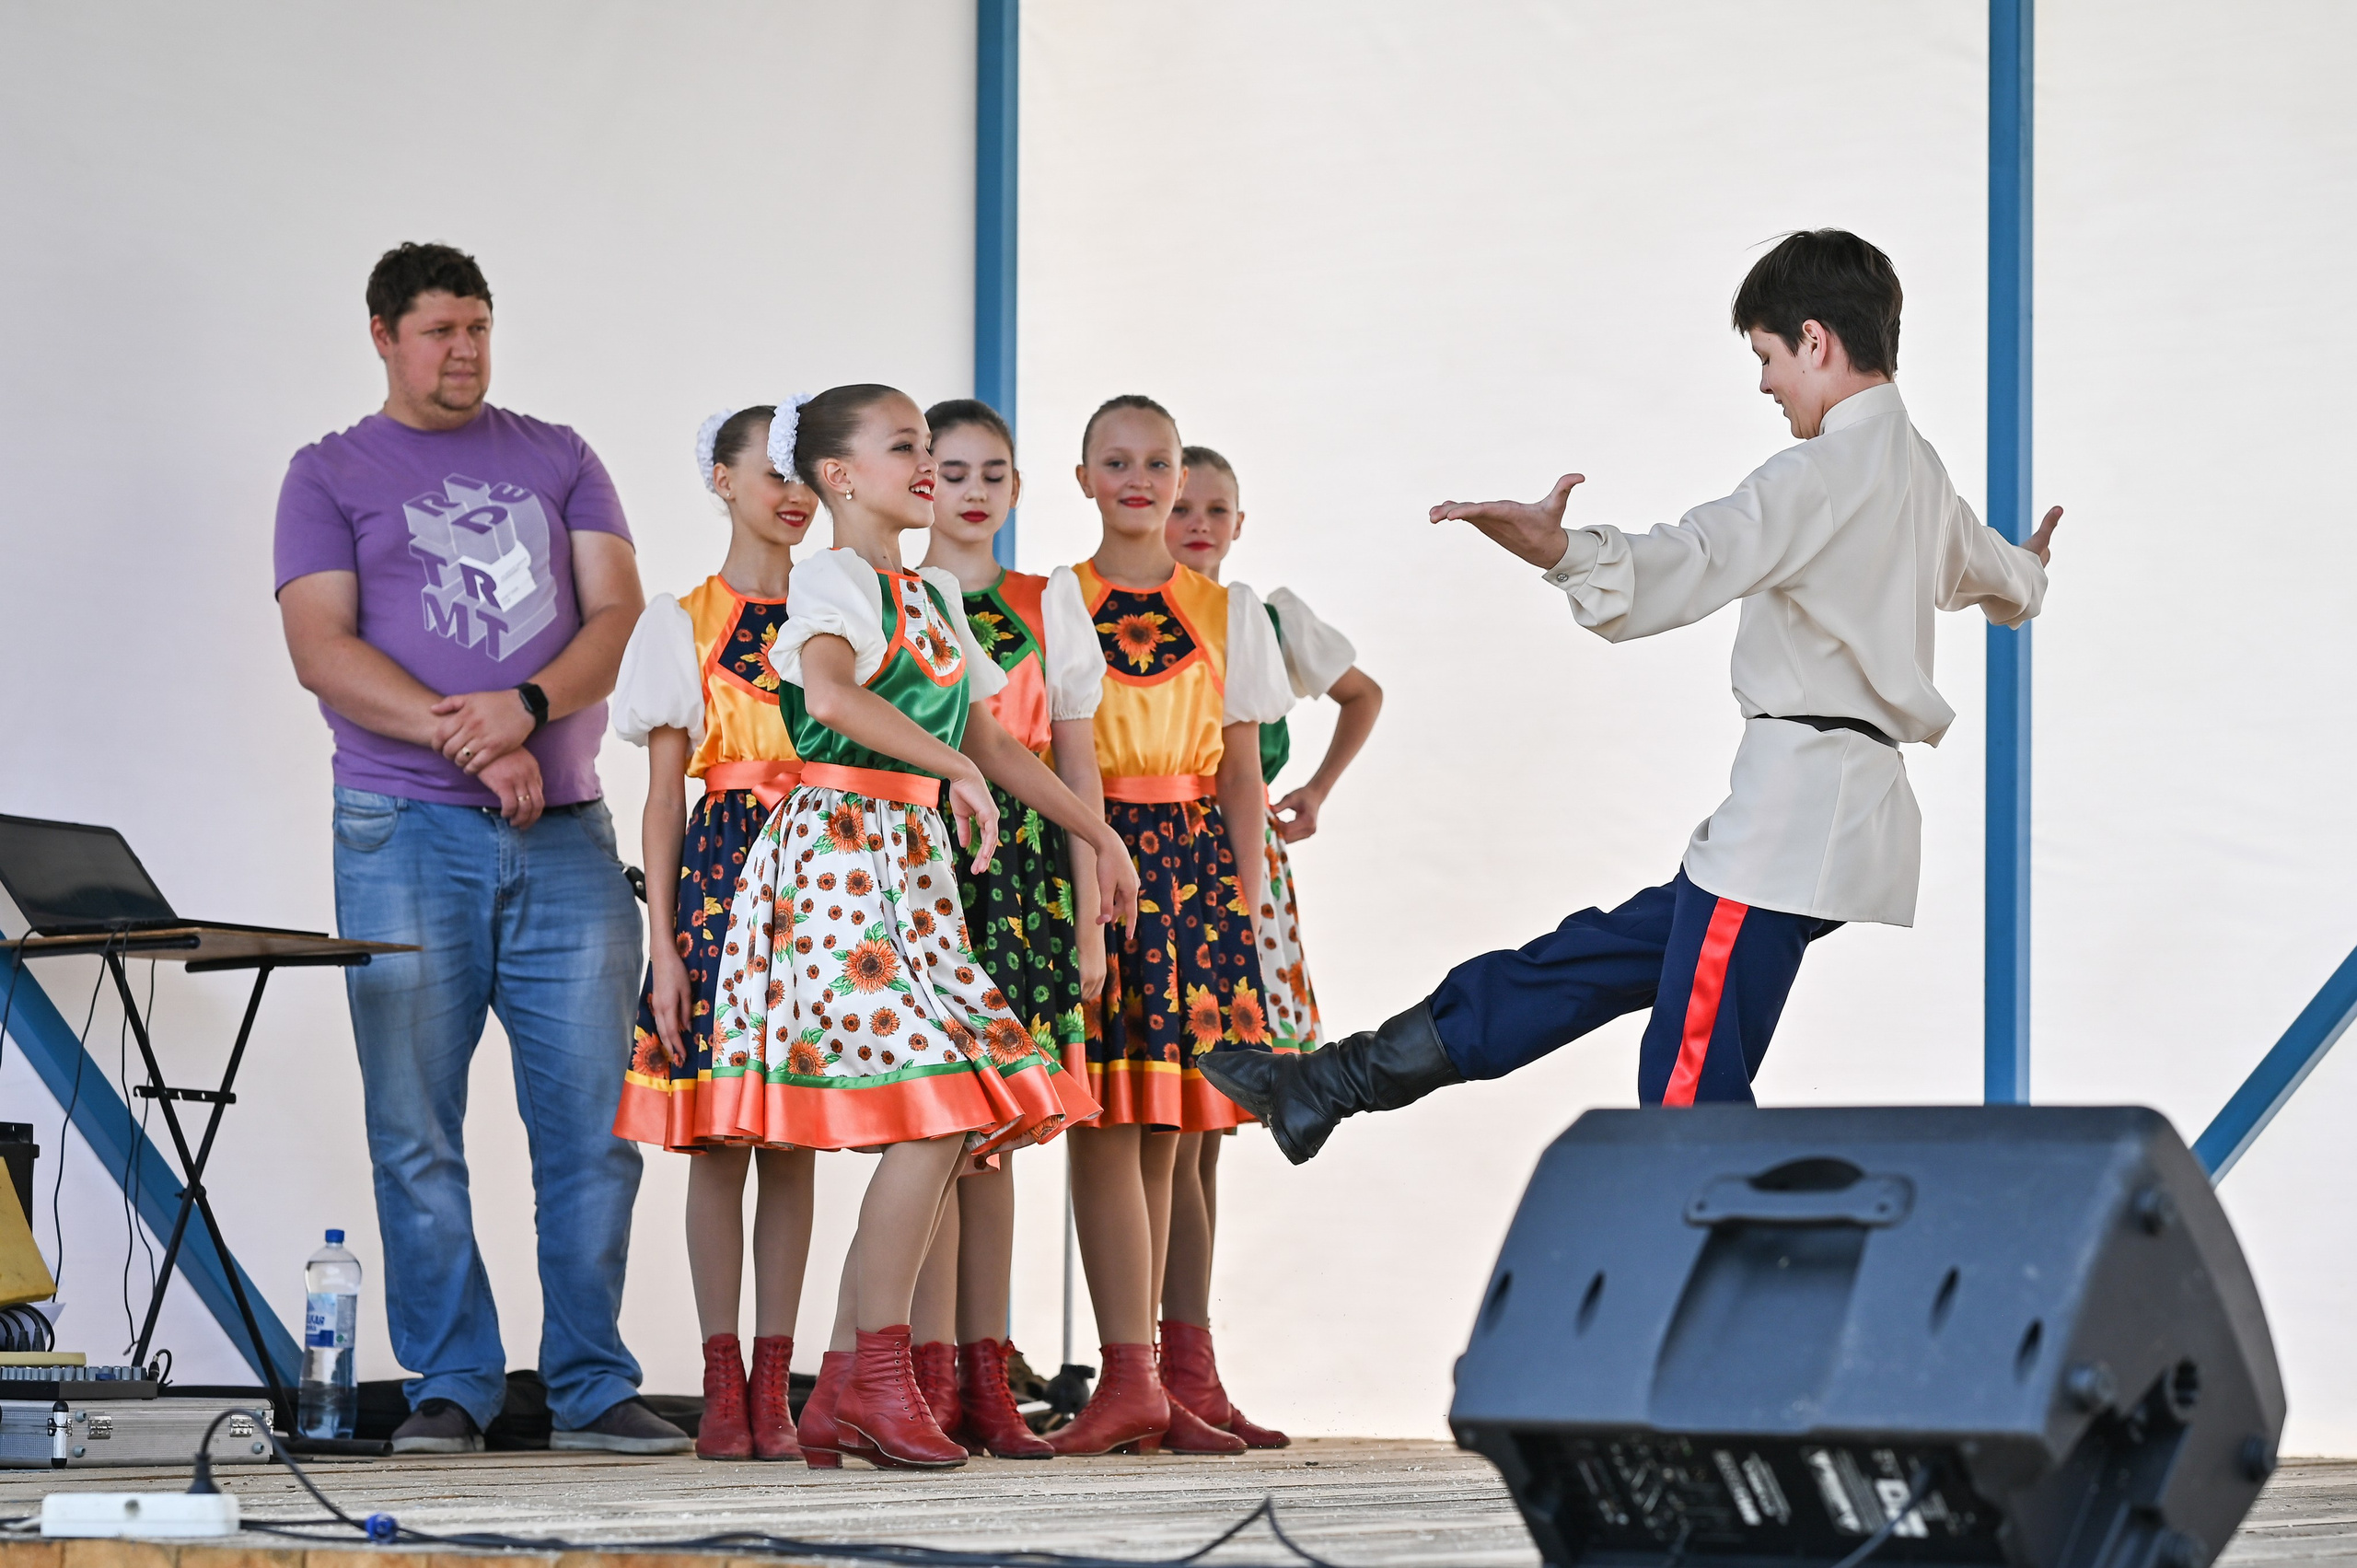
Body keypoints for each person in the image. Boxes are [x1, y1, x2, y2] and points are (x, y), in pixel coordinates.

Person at [1204, 228, 2065, 1159]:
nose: (1766, 385)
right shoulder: (1919, 476)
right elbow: (1998, 578)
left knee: (1688, 1082)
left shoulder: (1816, 475)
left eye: (1768, 357)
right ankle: (1328, 1083)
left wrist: (1561, 549)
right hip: (1819, 814)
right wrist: (2029, 570)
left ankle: (1719, 1284)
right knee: (1579, 965)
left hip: (1791, 819)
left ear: (1816, 342)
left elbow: (1694, 555)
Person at [273, 241, 686, 1454]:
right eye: (438, 329)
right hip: (402, 832)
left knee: (595, 1130)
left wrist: (530, 710)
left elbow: (617, 617)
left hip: (564, 838)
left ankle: (592, 1383)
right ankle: (451, 1379)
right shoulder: (329, 471)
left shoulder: (557, 455)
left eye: (478, 327)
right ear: (382, 336)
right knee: (416, 1129)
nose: (462, 350)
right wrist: (474, 742)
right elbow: (323, 648)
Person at [703, 384, 1139, 1471]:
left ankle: (853, 1384)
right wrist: (944, 766)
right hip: (839, 858)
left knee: (975, 1090)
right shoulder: (833, 580)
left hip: (912, 872)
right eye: (907, 448)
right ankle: (875, 1376)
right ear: (842, 477)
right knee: (939, 1104)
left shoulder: (934, 596)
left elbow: (996, 742)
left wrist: (1099, 838)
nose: (930, 464)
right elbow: (835, 696)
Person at [1039, 396, 1293, 1458]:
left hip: (1197, 871)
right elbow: (1068, 753)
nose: (1139, 480)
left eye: (1156, 461)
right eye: (1118, 461)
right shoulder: (1063, 594)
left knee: (1186, 1128)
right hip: (1108, 852)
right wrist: (1095, 869)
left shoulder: (1228, 609)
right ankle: (1130, 1372)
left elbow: (1241, 772)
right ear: (1085, 475)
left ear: (1178, 469)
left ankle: (1170, 1374)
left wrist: (1245, 915)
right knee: (1117, 1119)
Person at [1155, 443, 1385, 1448]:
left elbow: (1363, 692)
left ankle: (1189, 1360)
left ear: (1240, 523)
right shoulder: (1122, 614)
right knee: (1162, 1123)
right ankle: (1158, 1360)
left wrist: (1319, 790)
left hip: (1240, 882)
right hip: (1159, 871)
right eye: (1183, 505)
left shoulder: (1263, 614)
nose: (1198, 523)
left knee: (1211, 1122)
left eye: (1217, 508)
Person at [608, 403, 820, 1461]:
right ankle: (722, 1377)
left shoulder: (846, 607)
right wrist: (664, 944)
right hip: (725, 874)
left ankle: (776, 1383)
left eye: (805, 473)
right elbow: (660, 799)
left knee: (792, 1138)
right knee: (718, 1137)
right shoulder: (679, 619)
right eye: (770, 470)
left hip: (825, 874)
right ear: (721, 480)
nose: (793, 492)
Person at [907, 398, 1102, 1459]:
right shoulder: (901, 596)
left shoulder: (1047, 601)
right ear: (917, 482)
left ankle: (986, 1372)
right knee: (929, 1125)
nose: (974, 491)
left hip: (1022, 875)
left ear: (1019, 487)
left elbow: (1074, 761)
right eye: (953, 470)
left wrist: (1089, 917)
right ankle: (919, 1373)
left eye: (995, 472)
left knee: (998, 1138)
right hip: (929, 862)